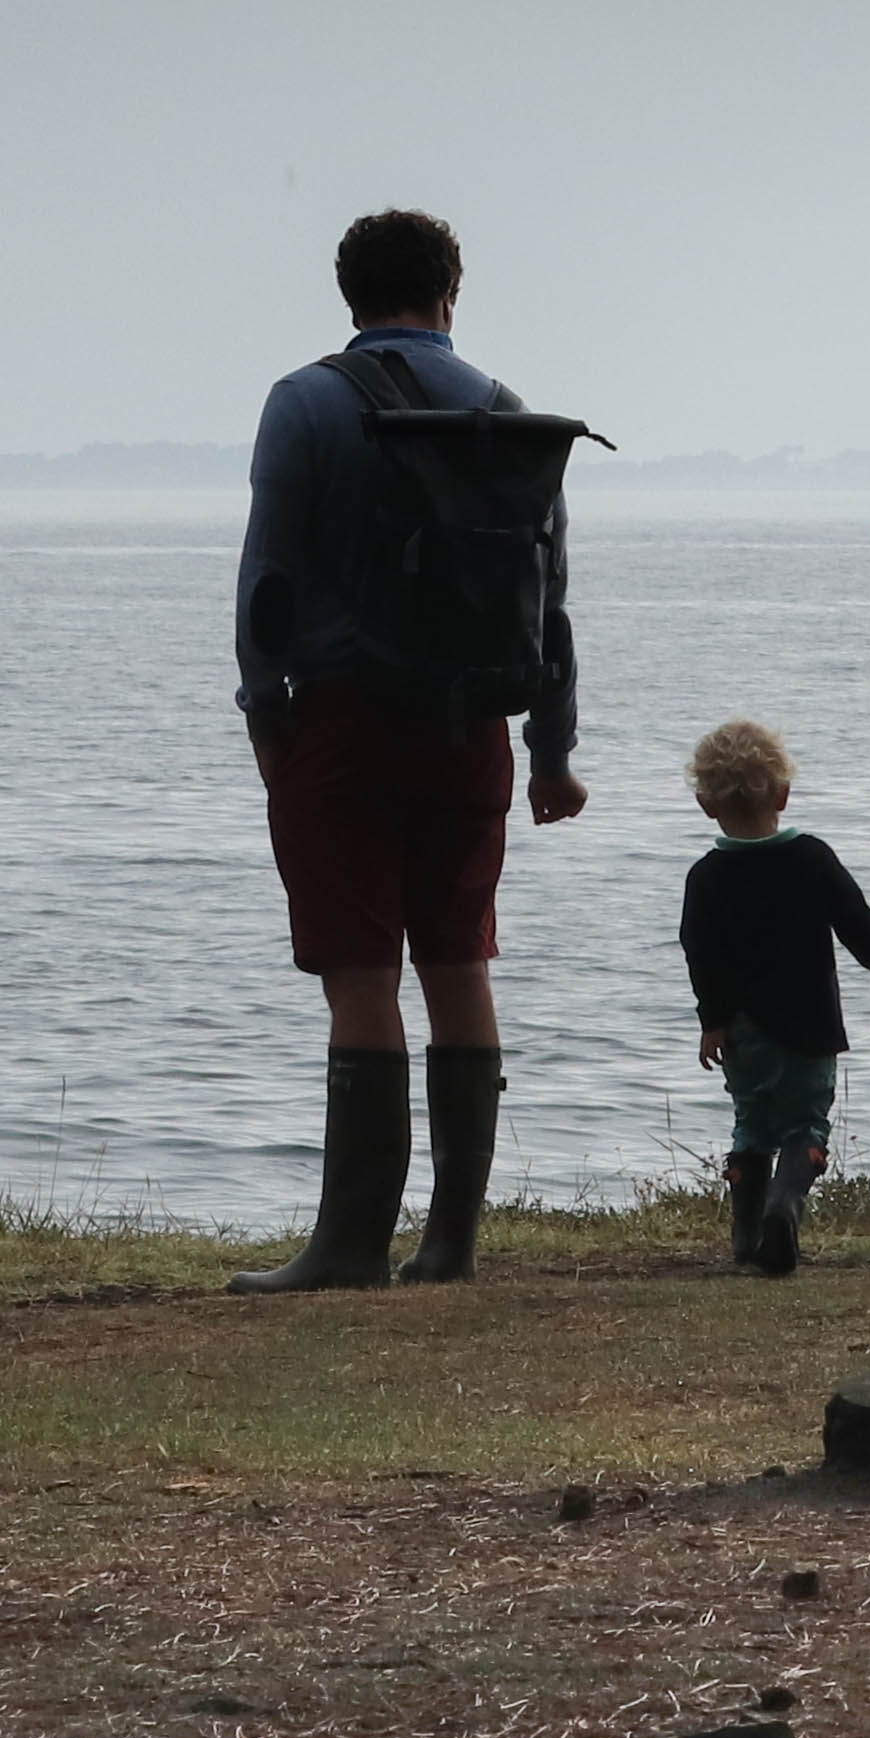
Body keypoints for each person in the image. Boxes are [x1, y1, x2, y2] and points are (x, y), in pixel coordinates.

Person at [225, 208, 589, 1291]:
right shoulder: (506, 412)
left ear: (348, 294)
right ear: (450, 292)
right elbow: (548, 605)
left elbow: (267, 583)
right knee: (456, 960)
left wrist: (264, 716)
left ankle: (346, 1247)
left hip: (340, 718)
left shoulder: (305, 401)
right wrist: (552, 750)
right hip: (471, 725)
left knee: (358, 973)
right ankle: (450, 1245)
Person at [675, 718, 870, 1277]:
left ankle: (748, 1235)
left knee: (751, 1127)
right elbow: (858, 925)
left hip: (744, 1032)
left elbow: (699, 955)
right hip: (811, 1028)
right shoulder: (812, 858)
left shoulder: (706, 877)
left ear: (706, 804)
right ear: (783, 793)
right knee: (806, 1130)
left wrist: (713, 1021)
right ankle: (784, 1205)